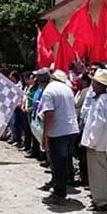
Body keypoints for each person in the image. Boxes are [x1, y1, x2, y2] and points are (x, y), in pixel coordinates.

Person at [39, 70, 80, 204]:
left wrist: (44, 136)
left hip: (59, 132)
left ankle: (59, 193)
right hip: (71, 129)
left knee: (57, 164)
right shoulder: (65, 87)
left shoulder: (48, 92)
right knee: (65, 161)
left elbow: (49, 114)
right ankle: (62, 187)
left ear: (40, 82)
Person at [81, 69, 107, 211]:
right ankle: (102, 199)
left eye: (95, 82)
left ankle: (100, 201)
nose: (93, 85)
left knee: (97, 173)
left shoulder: (101, 100)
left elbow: (98, 123)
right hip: (102, 142)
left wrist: (91, 142)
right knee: (101, 172)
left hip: (97, 143)